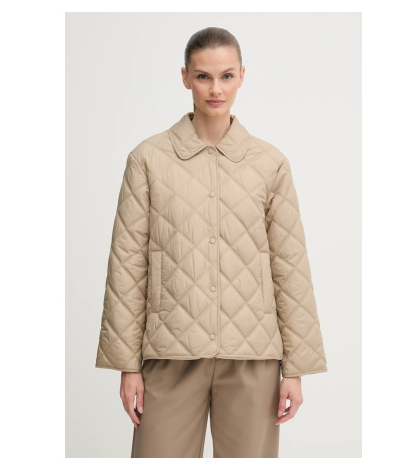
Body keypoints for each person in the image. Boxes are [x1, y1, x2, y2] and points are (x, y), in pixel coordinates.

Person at [95, 26, 328, 458]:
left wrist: (296, 369)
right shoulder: (148, 159)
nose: (215, 89)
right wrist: (127, 365)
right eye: (203, 76)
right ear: (185, 77)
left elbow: (290, 266)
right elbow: (127, 265)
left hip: (253, 357)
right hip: (170, 354)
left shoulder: (270, 164)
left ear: (242, 76)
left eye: (226, 76)